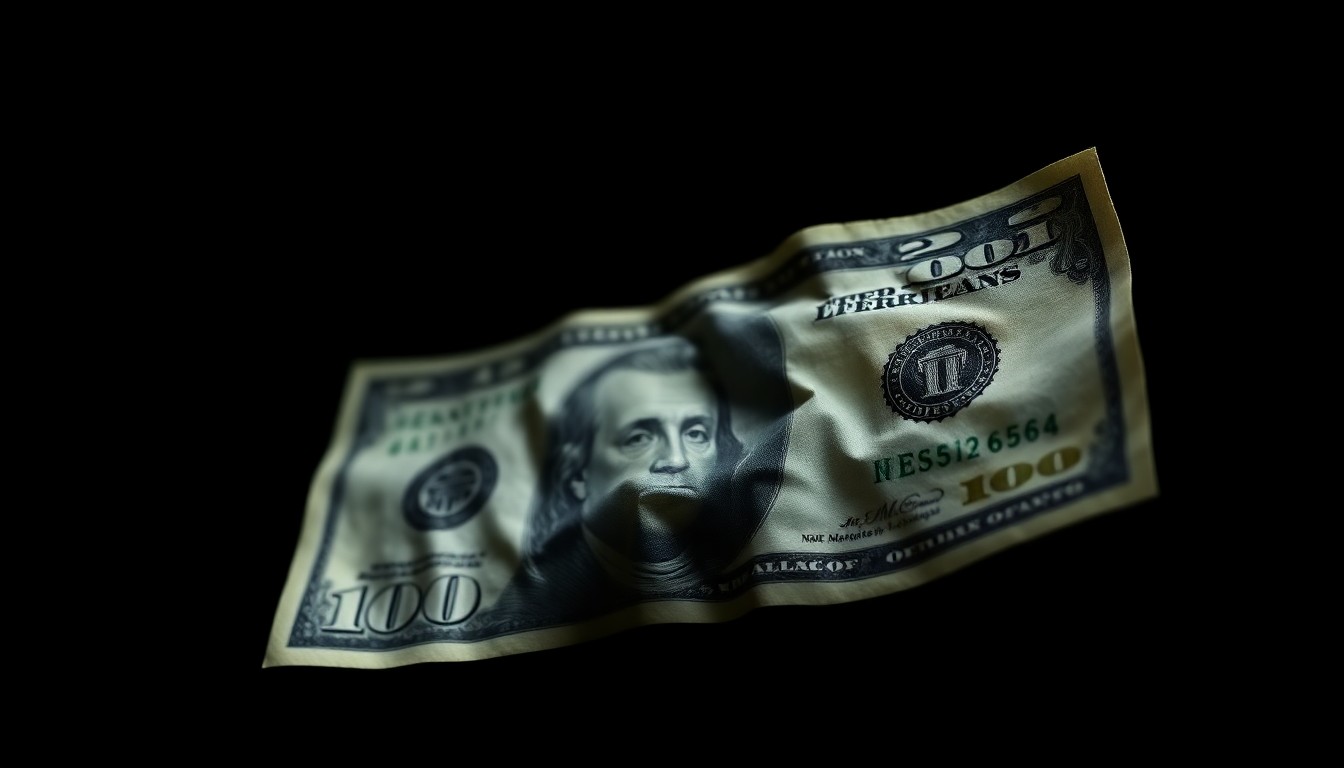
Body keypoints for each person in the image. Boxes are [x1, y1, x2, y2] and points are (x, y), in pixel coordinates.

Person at [478, 339, 749, 631]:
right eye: (639, 438)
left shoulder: (744, 558)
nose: (676, 459)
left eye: (695, 434)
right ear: (578, 472)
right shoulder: (525, 612)